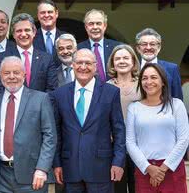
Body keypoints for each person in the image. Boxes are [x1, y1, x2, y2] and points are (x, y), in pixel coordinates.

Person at [50, 48, 126, 193]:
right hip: (70, 169)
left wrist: (118, 162)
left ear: (96, 66)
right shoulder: (59, 94)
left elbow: (119, 131)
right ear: (72, 65)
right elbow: (56, 133)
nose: (83, 67)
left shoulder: (110, 93)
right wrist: (57, 164)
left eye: (88, 63)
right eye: (79, 62)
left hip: (102, 168)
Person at [0, 56, 57, 192]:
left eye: (16, 72)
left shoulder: (41, 99)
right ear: (0, 76)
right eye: (7, 73)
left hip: (32, 175)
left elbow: (50, 137)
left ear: (24, 75)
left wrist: (42, 169)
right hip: (0, 176)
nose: (12, 76)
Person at [126, 63, 189, 193]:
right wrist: (148, 167)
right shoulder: (134, 108)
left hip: (172, 169)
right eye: (144, 78)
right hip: (145, 170)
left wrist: (163, 168)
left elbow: (183, 139)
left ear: (163, 82)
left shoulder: (177, 105)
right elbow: (130, 142)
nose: (149, 82)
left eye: (154, 77)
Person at [0, 13, 57, 95]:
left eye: (27, 30)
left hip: (39, 107)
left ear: (34, 32)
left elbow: (51, 90)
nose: (23, 34)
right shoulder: (1, 58)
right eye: (19, 31)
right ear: (14, 35)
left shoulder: (47, 59)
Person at [106, 44, 141, 193]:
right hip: (115, 148)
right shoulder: (106, 87)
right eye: (118, 58)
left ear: (133, 61)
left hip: (140, 146)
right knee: (117, 188)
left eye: (126, 58)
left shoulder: (143, 85)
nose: (122, 61)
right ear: (112, 63)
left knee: (138, 187)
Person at [135, 28, 183, 100]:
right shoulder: (131, 67)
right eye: (144, 44)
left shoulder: (172, 69)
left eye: (152, 44)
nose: (148, 47)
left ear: (159, 47)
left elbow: (178, 98)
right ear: (138, 48)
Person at [77, 9, 121, 82]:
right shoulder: (78, 49)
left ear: (105, 26)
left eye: (98, 23)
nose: (95, 27)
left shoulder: (116, 47)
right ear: (86, 27)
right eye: (91, 24)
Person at [33, 0, 66, 67]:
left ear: (56, 14)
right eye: (43, 12)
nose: (46, 15)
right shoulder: (31, 38)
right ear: (38, 15)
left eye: (50, 12)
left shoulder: (66, 37)